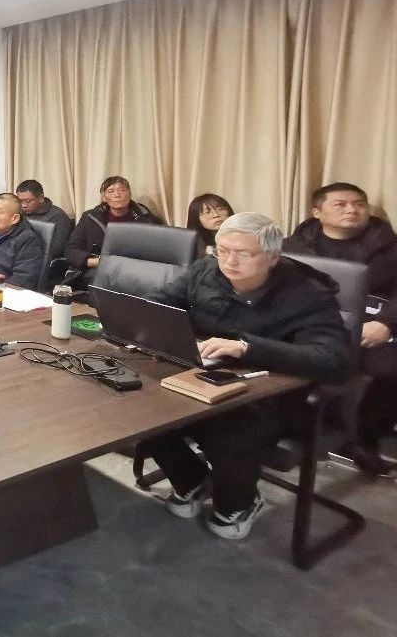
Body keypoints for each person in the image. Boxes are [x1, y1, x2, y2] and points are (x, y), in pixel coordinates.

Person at [141, 213, 352, 540]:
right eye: (222, 250)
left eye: (243, 253)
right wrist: (154, 333)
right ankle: (191, 479)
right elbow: (157, 304)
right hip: (204, 373)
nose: (229, 261)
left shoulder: (306, 293)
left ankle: (238, 503)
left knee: (227, 428)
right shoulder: (205, 270)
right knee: (139, 405)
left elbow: (333, 359)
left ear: (273, 257)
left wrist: (247, 348)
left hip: (271, 392)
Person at [285, 182, 397, 474]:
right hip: (311, 323)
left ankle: (364, 439)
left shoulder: (387, 245)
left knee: (390, 370)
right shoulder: (296, 245)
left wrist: (386, 323)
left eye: (359, 204)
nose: (352, 210)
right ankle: (290, 429)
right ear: (317, 212)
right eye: (341, 204)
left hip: (371, 323)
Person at [64, 175, 163, 273]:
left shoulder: (145, 217)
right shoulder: (90, 218)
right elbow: (71, 250)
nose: (117, 195)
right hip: (98, 270)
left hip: (135, 270)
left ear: (130, 194)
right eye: (111, 191)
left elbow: (159, 249)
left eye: (122, 190)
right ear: (104, 197)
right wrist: (97, 262)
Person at [14, 179, 74, 263]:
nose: (23, 205)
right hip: (16, 254)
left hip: (38, 260)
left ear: (41, 198)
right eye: (20, 201)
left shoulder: (57, 216)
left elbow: (57, 248)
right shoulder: (18, 212)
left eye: (28, 201)